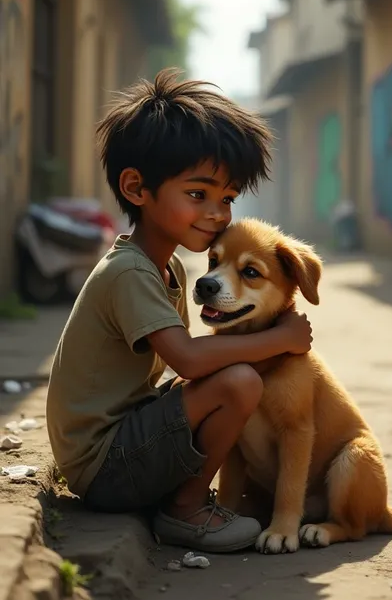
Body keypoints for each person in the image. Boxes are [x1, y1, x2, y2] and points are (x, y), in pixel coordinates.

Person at [46, 69, 313, 553]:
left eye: (227, 198)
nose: (217, 213)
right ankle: (185, 510)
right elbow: (189, 360)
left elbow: (181, 366)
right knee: (239, 381)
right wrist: (282, 340)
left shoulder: (166, 266)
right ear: (136, 188)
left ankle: (189, 495)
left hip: (123, 439)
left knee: (227, 374)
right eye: (198, 194)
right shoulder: (128, 272)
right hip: (104, 466)